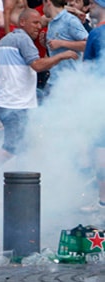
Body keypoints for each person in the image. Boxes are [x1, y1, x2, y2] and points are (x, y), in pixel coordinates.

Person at [0, 8, 78, 167]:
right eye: (35, 23)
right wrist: (62, 56)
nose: (38, 27)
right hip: (17, 105)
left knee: (24, 146)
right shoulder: (24, 40)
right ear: (22, 22)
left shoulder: (5, 40)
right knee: (11, 148)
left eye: (40, 23)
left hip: (7, 102)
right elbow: (37, 65)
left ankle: (21, 182)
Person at [81, 0, 105, 213]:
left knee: (100, 152)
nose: (90, 9)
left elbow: (86, 71)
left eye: (93, 5)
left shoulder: (97, 34)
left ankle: (102, 200)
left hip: (99, 101)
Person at [43, 0, 88, 97]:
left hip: (70, 83)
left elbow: (88, 44)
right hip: (54, 80)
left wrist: (62, 43)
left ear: (48, 2)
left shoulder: (70, 20)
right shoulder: (52, 22)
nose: (42, 8)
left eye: (43, 3)